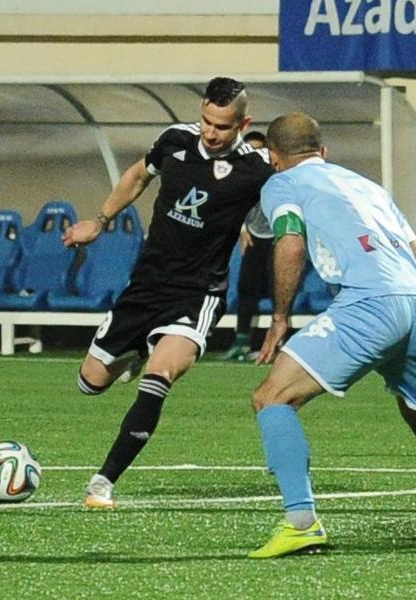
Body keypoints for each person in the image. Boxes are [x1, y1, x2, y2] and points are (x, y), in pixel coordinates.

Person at [247, 113, 416, 559]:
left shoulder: (282, 183)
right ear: (323, 151)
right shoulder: (368, 187)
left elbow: (291, 242)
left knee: (272, 398)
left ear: (274, 157)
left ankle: (301, 522)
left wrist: (280, 317)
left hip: (369, 303)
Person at [62, 77, 273, 508]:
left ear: (244, 124)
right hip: (146, 285)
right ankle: (135, 353)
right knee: (90, 383)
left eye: (223, 126)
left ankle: (103, 482)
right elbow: (138, 175)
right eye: (207, 121)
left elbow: (288, 207)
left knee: (160, 377)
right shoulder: (175, 140)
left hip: (198, 293)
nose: (211, 133)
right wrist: (99, 221)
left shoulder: (257, 170)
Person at [222, 131, 274, 361]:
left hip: (277, 237)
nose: (255, 154)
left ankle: (276, 343)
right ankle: (241, 342)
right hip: (254, 236)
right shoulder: (239, 174)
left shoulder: (277, 174)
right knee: (246, 289)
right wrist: (242, 228)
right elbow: (232, 203)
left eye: (259, 149)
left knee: (279, 292)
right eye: (250, 149)